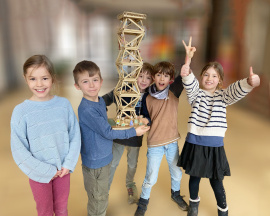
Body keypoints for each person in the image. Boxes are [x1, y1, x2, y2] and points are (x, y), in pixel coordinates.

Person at [177, 38, 260, 216]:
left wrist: (250, 82)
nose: (209, 78)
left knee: (216, 180)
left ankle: (223, 209)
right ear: (201, 77)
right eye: (206, 74)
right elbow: (188, 79)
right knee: (194, 177)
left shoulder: (223, 96)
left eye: (214, 76)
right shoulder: (196, 95)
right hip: (196, 142)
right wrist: (188, 59)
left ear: (220, 80)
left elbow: (236, 89)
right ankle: (194, 205)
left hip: (214, 145)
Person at [73, 60, 150, 216]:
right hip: (95, 162)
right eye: (85, 82)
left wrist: (125, 123)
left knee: (101, 196)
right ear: (77, 86)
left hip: (104, 157)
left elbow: (104, 124)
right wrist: (133, 131)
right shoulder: (87, 109)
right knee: (98, 198)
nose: (92, 85)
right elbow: (107, 132)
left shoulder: (99, 101)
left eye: (95, 80)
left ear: (101, 82)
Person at [10, 55, 81, 216]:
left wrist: (68, 164)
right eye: (33, 78)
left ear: (53, 79)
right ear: (25, 79)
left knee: (62, 209)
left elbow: (75, 135)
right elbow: (19, 150)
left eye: (44, 78)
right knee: (45, 211)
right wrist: (45, 170)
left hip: (63, 171)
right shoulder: (21, 112)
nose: (39, 84)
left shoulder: (64, 105)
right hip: (38, 174)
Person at [134, 61, 189, 216]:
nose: (162, 78)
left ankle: (176, 194)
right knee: (151, 176)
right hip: (155, 144)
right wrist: (144, 120)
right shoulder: (146, 97)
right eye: (159, 75)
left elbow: (184, 74)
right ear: (153, 77)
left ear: (170, 79)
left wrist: (188, 59)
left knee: (177, 173)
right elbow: (146, 117)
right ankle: (143, 202)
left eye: (166, 76)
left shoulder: (173, 92)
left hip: (172, 142)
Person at [102, 62, 153, 204]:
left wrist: (145, 120)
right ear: (133, 77)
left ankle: (130, 184)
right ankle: (104, 190)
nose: (143, 80)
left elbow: (150, 116)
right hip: (119, 134)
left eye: (148, 78)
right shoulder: (123, 88)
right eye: (140, 76)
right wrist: (101, 114)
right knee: (113, 163)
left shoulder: (149, 96)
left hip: (136, 136)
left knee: (132, 164)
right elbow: (105, 99)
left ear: (152, 80)